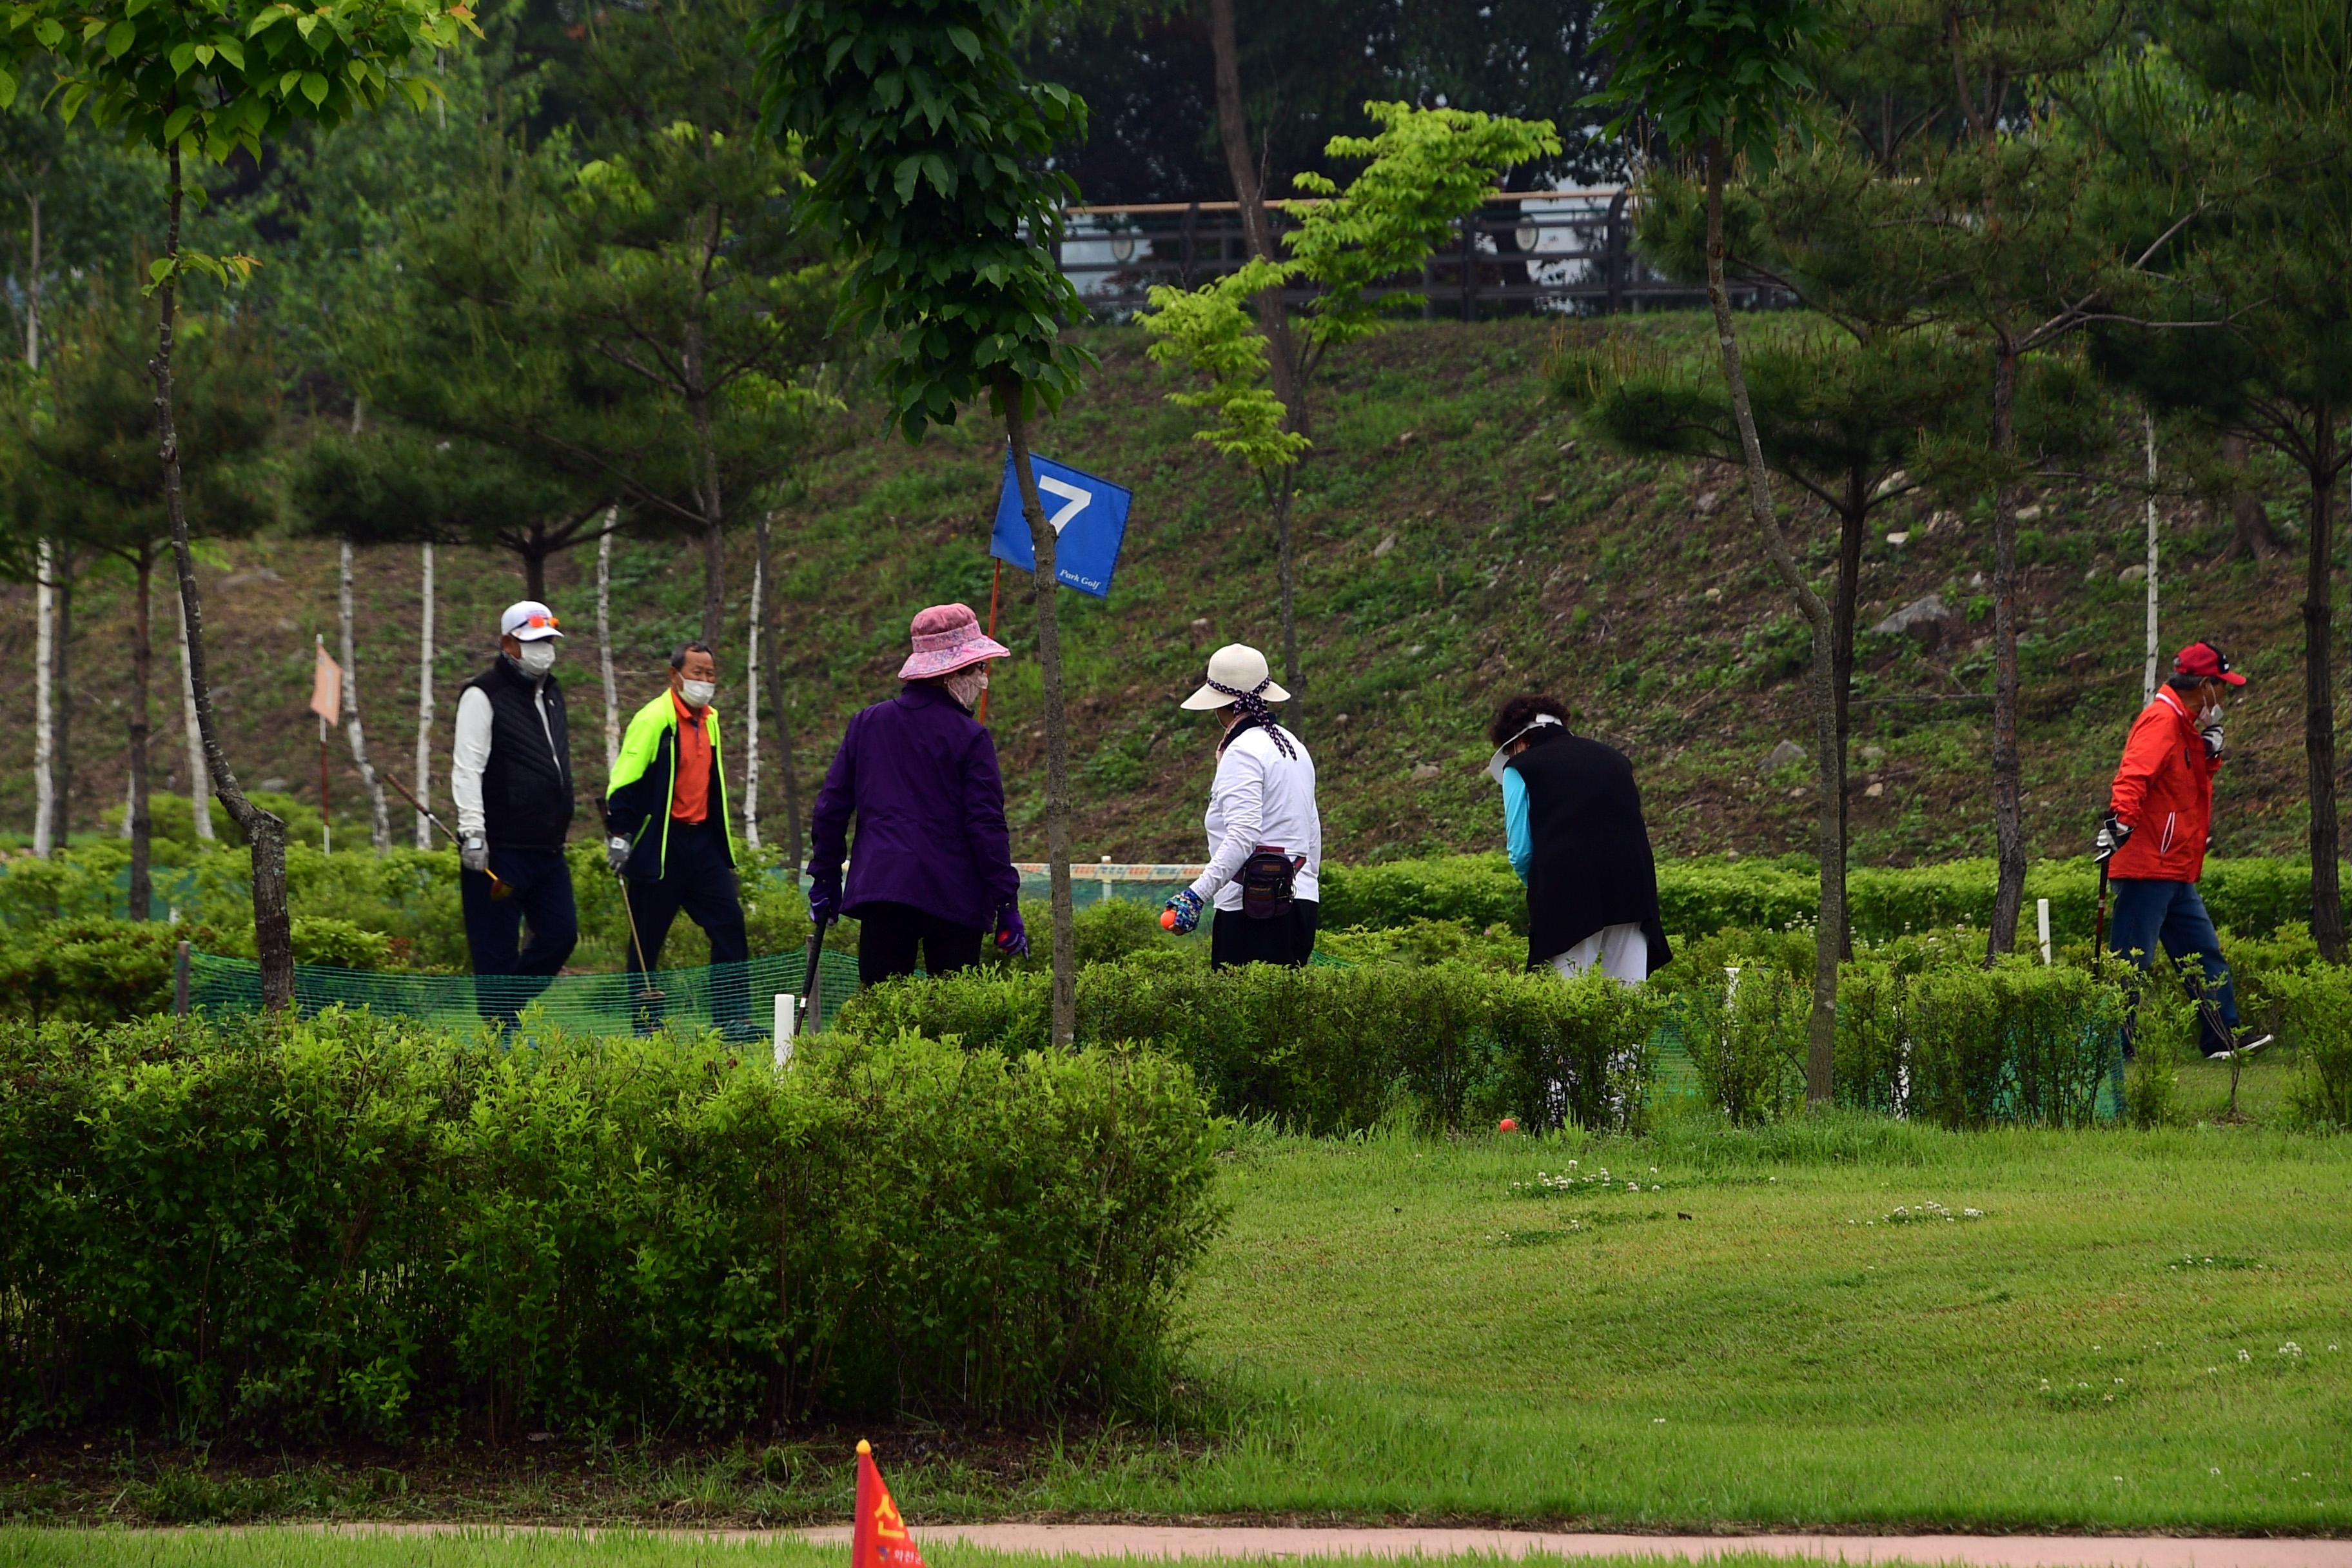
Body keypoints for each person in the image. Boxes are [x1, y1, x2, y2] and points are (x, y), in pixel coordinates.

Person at [808, 603, 1027, 988]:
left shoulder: (867, 724)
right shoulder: (971, 738)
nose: (983, 680)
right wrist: (1006, 903)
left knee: (883, 1018)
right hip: (954, 898)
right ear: (951, 673)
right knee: (955, 1024)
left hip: (884, 890)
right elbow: (986, 827)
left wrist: (826, 878)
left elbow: (831, 808)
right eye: (980, 669)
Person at [2099, 641, 2268, 1059]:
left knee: (2202, 952)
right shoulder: (2161, 720)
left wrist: (2208, 753)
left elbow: (2183, 786)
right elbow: (2134, 773)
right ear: (2204, 686)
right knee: (2131, 962)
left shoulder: (2182, 724)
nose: (2225, 696)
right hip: (2147, 866)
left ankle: (2221, 1036)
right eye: (2222, 687)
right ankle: (2113, 1049)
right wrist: (2120, 820)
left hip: (2173, 866)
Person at [605, 640, 750, 1033]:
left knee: (729, 925)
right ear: (675, 676)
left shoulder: (712, 719)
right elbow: (624, 780)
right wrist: (619, 833)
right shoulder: (654, 719)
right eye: (697, 672)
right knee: (646, 939)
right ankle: (645, 1024)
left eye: (710, 674)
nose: (704, 681)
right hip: (660, 846)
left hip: (704, 845)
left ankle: (733, 1019)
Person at [452, 600, 578, 1026]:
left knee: (561, 936)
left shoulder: (553, 694)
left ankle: (505, 1011)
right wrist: (473, 831)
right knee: (496, 950)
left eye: (548, 640)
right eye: (534, 641)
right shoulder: (483, 694)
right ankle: (496, 1040)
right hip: (498, 848)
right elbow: (468, 766)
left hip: (548, 847)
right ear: (508, 643)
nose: (544, 649)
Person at [1487, 694, 1669, 983]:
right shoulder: (1615, 759)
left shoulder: (1521, 767)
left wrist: (1542, 888)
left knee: (1565, 1000)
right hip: (1634, 886)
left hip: (1568, 889)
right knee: (1628, 998)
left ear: (1519, 742)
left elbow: (1521, 852)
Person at [1161, 644, 1322, 968]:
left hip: (1253, 910)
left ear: (1223, 706)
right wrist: (1307, 889)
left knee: (1242, 1014)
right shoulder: (1294, 746)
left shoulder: (1242, 752)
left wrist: (1196, 895)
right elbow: (1313, 832)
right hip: (1301, 904)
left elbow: (1243, 835)